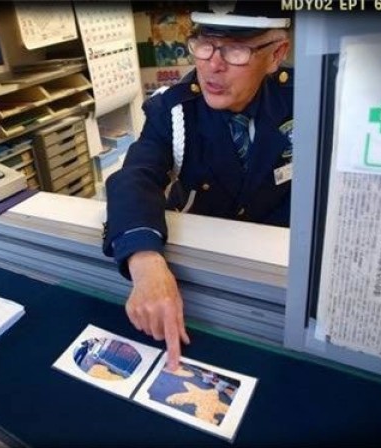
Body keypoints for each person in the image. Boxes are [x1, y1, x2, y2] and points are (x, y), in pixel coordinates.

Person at [103, 3, 293, 371]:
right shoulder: (174, 110)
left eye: (236, 50)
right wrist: (144, 260)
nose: (212, 66)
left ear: (276, 55)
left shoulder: (307, 99)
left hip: (278, 270)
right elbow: (134, 176)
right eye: (204, 45)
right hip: (203, 270)